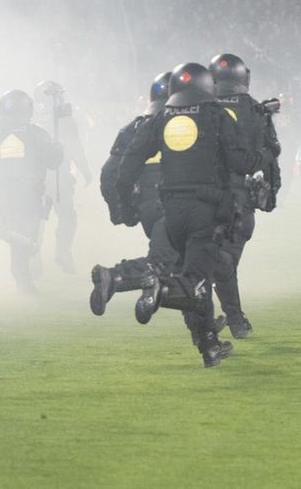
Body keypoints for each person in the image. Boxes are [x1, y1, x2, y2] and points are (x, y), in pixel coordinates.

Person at [115, 62, 270, 366]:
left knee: (190, 272)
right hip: (206, 210)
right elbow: (240, 161)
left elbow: (125, 166)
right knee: (200, 274)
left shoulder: (158, 120)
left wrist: (124, 203)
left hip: (168, 210)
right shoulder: (216, 117)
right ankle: (137, 284)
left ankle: (208, 341)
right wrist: (264, 156)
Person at [90, 73, 180, 317]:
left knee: (179, 267)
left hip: (146, 207)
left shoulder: (134, 127)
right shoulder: (186, 125)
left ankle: (207, 335)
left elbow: (109, 174)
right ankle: (117, 278)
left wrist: (121, 210)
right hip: (176, 204)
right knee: (173, 262)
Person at [210, 52, 282, 339]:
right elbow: (271, 155)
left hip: (203, 193)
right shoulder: (255, 110)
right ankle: (234, 320)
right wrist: (273, 192)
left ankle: (215, 317)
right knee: (225, 261)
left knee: (209, 259)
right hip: (239, 197)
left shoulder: (201, 106)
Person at [0, 90, 63, 293]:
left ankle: (6, 236)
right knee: (29, 242)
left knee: (21, 241)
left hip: (3, 195)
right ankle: (24, 283)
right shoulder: (37, 134)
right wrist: (58, 148)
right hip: (29, 197)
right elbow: (53, 162)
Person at [33, 81, 92, 274]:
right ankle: (62, 251)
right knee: (66, 216)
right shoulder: (64, 121)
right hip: (58, 177)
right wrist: (85, 170)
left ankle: (35, 256)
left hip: (38, 179)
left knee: (38, 218)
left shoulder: (30, 122)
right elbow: (75, 148)